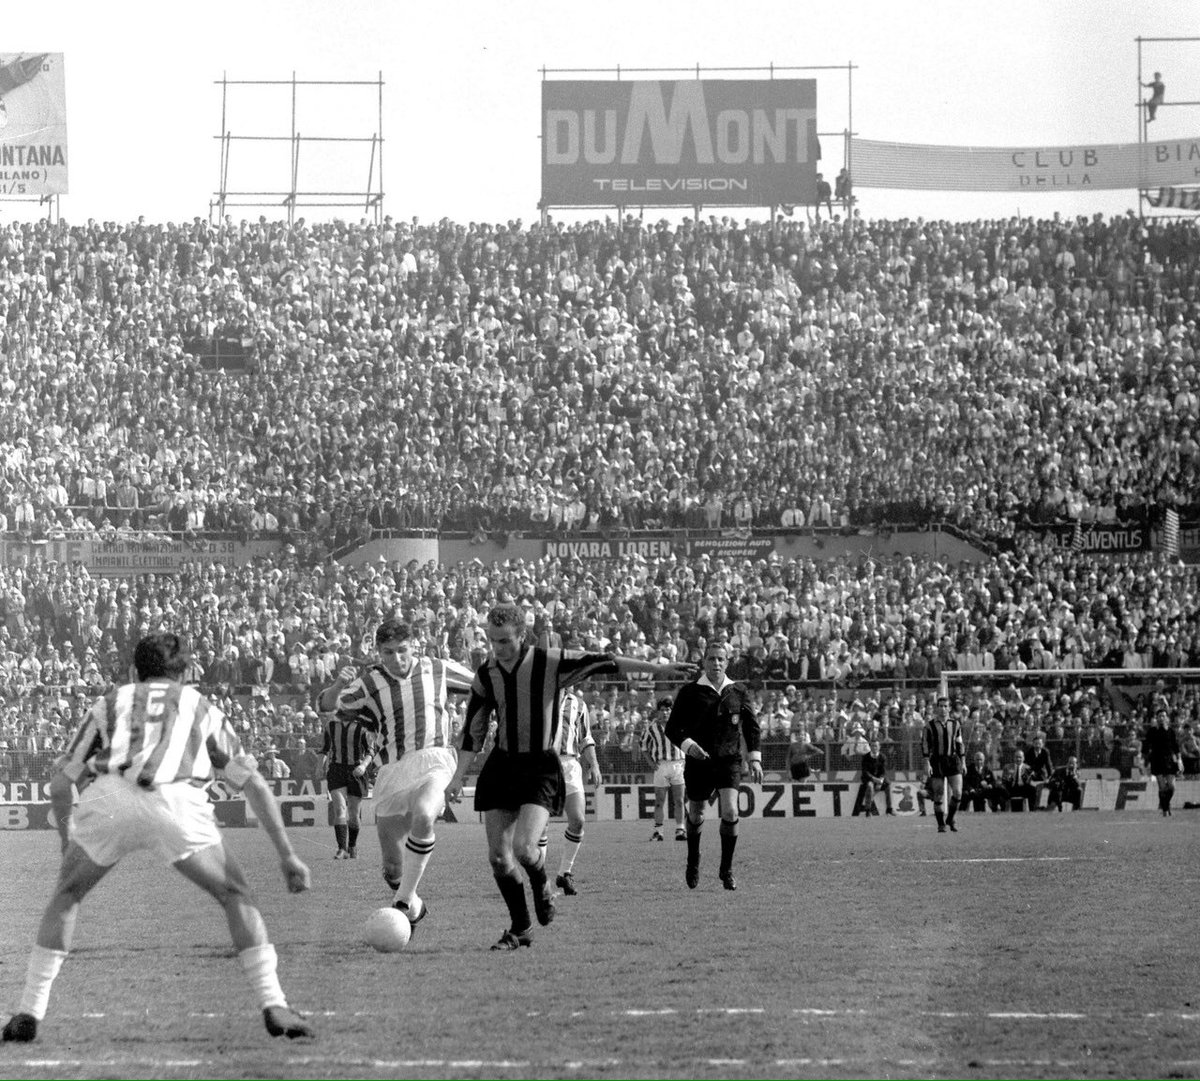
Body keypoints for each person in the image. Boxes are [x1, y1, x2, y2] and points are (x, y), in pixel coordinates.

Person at [2, 632, 312, 1044]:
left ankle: (29, 1011)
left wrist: (67, 841)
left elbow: (61, 785)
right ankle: (274, 1004)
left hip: (112, 796)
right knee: (235, 894)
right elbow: (252, 782)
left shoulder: (109, 703)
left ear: (134, 670)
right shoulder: (201, 707)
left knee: (67, 897)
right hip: (177, 800)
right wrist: (287, 855)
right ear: (184, 673)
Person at [444, 603, 695, 951]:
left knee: (525, 849)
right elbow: (474, 728)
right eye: (492, 641)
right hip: (501, 765)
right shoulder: (486, 673)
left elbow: (606, 660)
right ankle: (521, 928)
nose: (497, 649)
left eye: (504, 641)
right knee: (499, 859)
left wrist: (657, 667)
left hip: (539, 768)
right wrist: (458, 776)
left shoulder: (550, 661)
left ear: (522, 636)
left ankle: (542, 884)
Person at [325, 617, 473, 929]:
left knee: (423, 814)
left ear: (413, 646)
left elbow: (483, 685)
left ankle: (403, 900)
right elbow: (327, 707)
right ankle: (414, 905)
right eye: (389, 652)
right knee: (392, 868)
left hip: (435, 759)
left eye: (402, 650)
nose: (397, 658)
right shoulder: (368, 683)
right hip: (392, 771)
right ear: (378, 652)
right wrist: (338, 684)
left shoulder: (438, 667)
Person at [665, 640, 763, 892]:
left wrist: (754, 758)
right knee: (696, 814)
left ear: (727, 662)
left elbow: (751, 726)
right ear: (704, 662)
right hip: (699, 763)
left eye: (721, 659)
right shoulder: (690, 692)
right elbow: (672, 728)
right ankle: (693, 861)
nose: (716, 663)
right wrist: (688, 746)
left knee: (730, 812)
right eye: (712, 658)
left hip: (729, 761)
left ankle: (726, 869)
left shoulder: (738, 691)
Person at [549, 689, 603, 896]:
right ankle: (540, 879)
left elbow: (586, 738)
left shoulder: (579, 704)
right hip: (544, 764)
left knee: (578, 820)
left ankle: (565, 873)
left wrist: (595, 765)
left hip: (570, 763)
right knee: (541, 825)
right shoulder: (540, 697)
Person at [313, 684, 375, 860]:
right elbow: (324, 749)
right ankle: (342, 849)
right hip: (337, 769)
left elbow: (370, 751)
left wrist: (363, 766)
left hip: (357, 771)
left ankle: (352, 846)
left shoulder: (363, 726)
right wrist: (319, 766)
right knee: (339, 808)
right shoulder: (331, 725)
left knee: (354, 814)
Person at [639, 696, 686, 841]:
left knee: (679, 800)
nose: (665, 713)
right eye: (662, 710)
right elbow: (643, 747)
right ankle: (658, 831)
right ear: (658, 712)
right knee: (659, 800)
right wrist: (652, 764)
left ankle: (680, 830)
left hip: (678, 764)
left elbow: (688, 742)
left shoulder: (680, 724)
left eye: (667, 710)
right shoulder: (652, 728)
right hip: (661, 765)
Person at [920, 695, 964, 833]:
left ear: (949, 708)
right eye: (941, 706)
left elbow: (959, 743)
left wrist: (963, 762)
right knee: (938, 793)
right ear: (936, 708)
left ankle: (950, 818)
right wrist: (927, 762)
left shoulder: (956, 724)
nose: (943, 709)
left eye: (946, 706)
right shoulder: (929, 725)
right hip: (937, 761)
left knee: (957, 793)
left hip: (953, 760)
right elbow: (925, 745)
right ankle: (941, 824)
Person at [1142, 708, 1182, 817]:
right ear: (1157, 718)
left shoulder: (1170, 731)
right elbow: (1146, 745)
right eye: (1159, 716)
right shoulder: (1152, 731)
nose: (1161, 718)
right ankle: (1165, 810)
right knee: (1162, 787)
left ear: (1167, 718)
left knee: (1172, 786)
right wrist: (1144, 759)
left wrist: (1179, 760)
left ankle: (1165, 804)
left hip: (1169, 760)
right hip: (1156, 759)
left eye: (1163, 716)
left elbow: (1175, 746)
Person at [853, 738, 895, 817]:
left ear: (879, 747)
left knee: (888, 785)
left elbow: (884, 771)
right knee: (870, 786)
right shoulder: (866, 757)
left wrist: (881, 781)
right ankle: (868, 811)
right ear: (870, 747)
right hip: (869, 779)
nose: (874, 748)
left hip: (879, 779)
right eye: (872, 746)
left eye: (876, 746)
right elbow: (865, 772)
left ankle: (889, 809)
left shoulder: (883, 757)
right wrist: (875, 780)